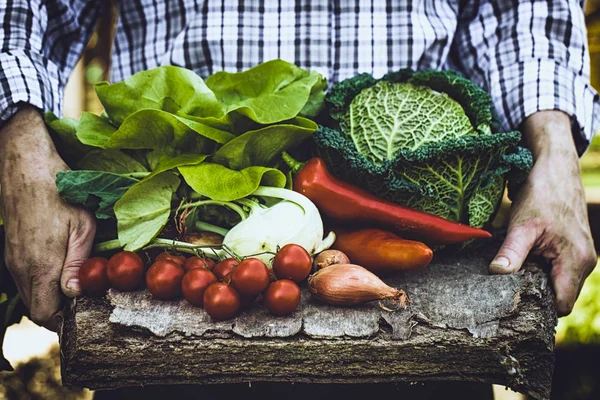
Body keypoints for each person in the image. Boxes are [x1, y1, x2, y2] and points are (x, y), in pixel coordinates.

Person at [0, 0, 598, 333]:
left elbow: (522, 12)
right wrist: (21, 148)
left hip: (427, 304)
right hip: (177, 268)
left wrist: (554, 150)